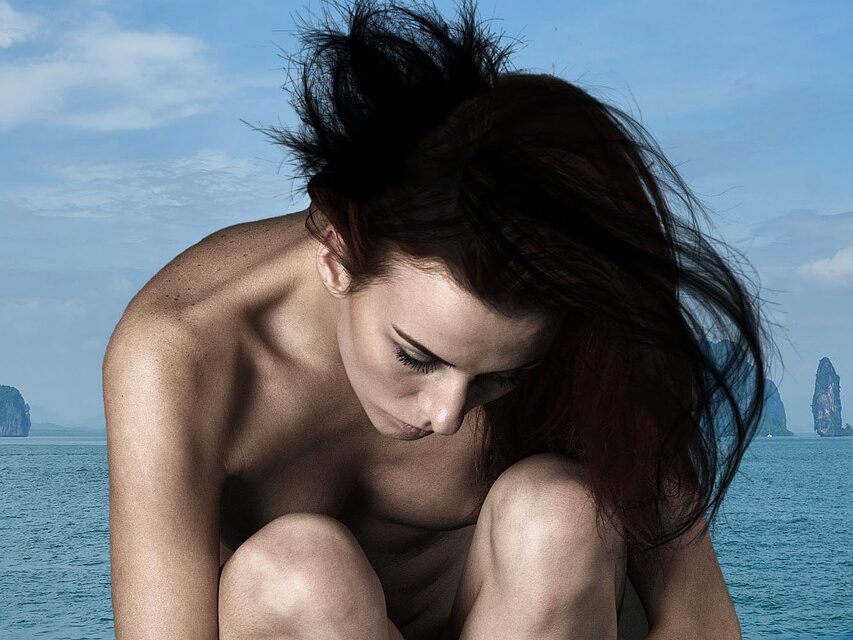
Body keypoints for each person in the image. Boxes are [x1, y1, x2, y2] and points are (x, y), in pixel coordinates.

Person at [103, 1, 772, 638]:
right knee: (294, 574)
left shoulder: (580, 335)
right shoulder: (180, 354)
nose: (447, 415)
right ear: (336, 253)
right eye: (416, 356)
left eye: (502, 377)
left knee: (561, 515)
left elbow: (699, 621)